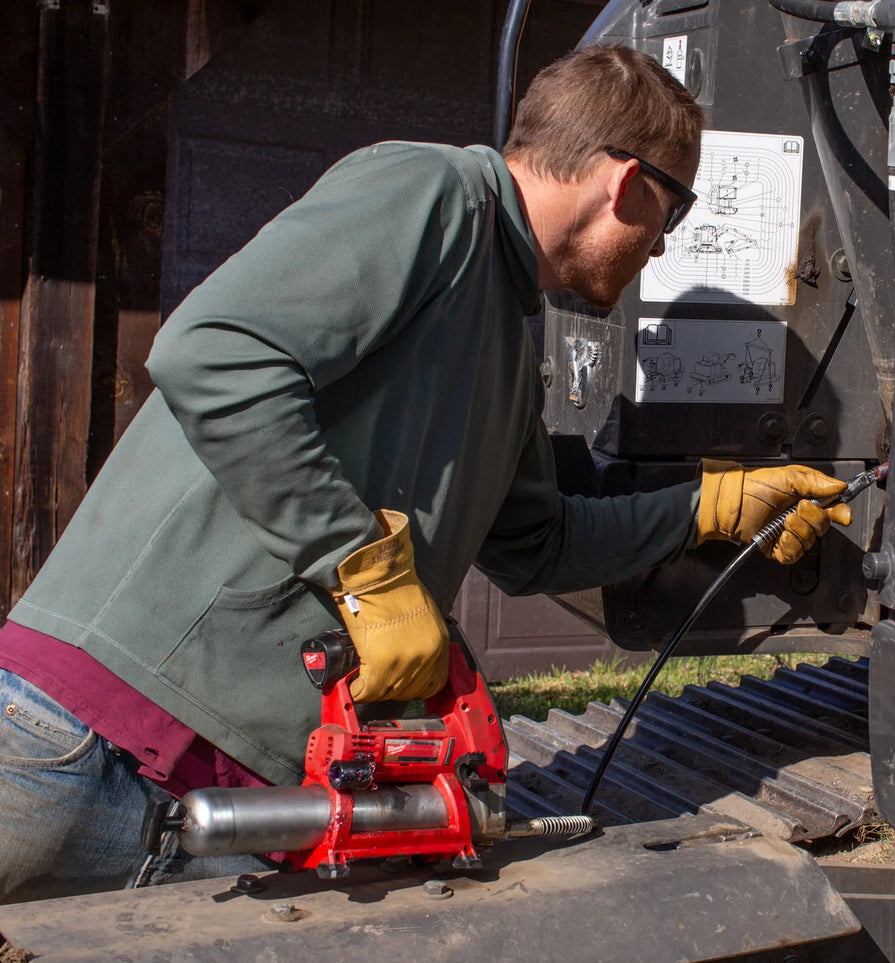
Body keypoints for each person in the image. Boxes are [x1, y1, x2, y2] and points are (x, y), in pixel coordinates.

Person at [0, 45, 851, 903]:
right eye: (668, 216)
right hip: (83, 742)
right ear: (627, 185)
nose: (659, 248)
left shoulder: (507, 344)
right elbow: (213, 355)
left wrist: (710, 505)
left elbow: (536, 546)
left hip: (226, 802)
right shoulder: (432, 195)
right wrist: (361, 566)